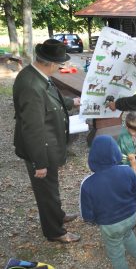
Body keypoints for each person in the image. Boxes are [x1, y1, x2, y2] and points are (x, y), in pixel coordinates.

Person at [13, 39, 81, 243]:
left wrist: (71, 102)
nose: (60, 67)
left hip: (48, 145)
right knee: (46, 192)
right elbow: (33, 128)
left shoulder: (38, 76)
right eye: (59, 64)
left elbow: (50, 102)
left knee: (51, 187)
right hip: (41, 148)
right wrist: (39, 162)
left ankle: (57, 215)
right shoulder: (31, 85)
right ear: (50, 63)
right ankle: (55, 232)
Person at [80, 135, 136, 269]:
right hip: (130, 218)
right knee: (127, 234)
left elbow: (87, 213)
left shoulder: (87, 183)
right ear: (115, 152)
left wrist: (93, 220)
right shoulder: (127, 171)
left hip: (109, 225)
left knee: (116, 252)